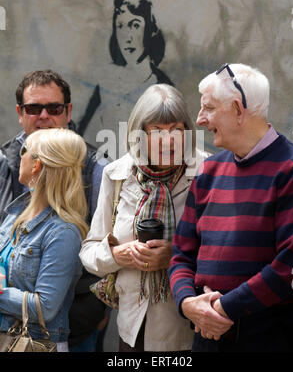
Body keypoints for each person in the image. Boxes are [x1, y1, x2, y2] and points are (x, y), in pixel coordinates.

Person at [168, 63, 293, 352]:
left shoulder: (292, 170)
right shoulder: (209, 171)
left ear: (239, 110)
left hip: (269, 341)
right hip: (206, 338)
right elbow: (181, 254)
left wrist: (224, 309)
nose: (200, 119)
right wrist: (188, 303)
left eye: (209, 108)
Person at [80, 83, 210, 352]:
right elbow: (89, 253)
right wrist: (117, 255)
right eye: (157, 131)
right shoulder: (116, 175)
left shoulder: (208, 172)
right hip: (132, 333)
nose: (168, 139)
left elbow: (228, 254)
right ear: (140, 135)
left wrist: (173, 256)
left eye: (176, 129)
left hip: (190, 329)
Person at [0, 69, 108, 352]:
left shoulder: (98, 169)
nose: (44, 116)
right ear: (20, 113)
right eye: (34, 108)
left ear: (68, 111)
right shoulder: (8, 180)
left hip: (67, 331)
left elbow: (107, 246)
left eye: (54, 108)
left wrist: (99, 313)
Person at [0, 128, 88, 350]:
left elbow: (45, 306)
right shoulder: (15, 214)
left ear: (36, 165)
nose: (19, 156)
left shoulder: (63, 232)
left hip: (31, 343)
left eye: (23, 150)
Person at [78, 0, 173, 142]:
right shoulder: (105, 85)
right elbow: (82, 141)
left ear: (149, 29)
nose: (127, 37)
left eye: (135, 25)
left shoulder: (162, 87)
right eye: (120, 26)